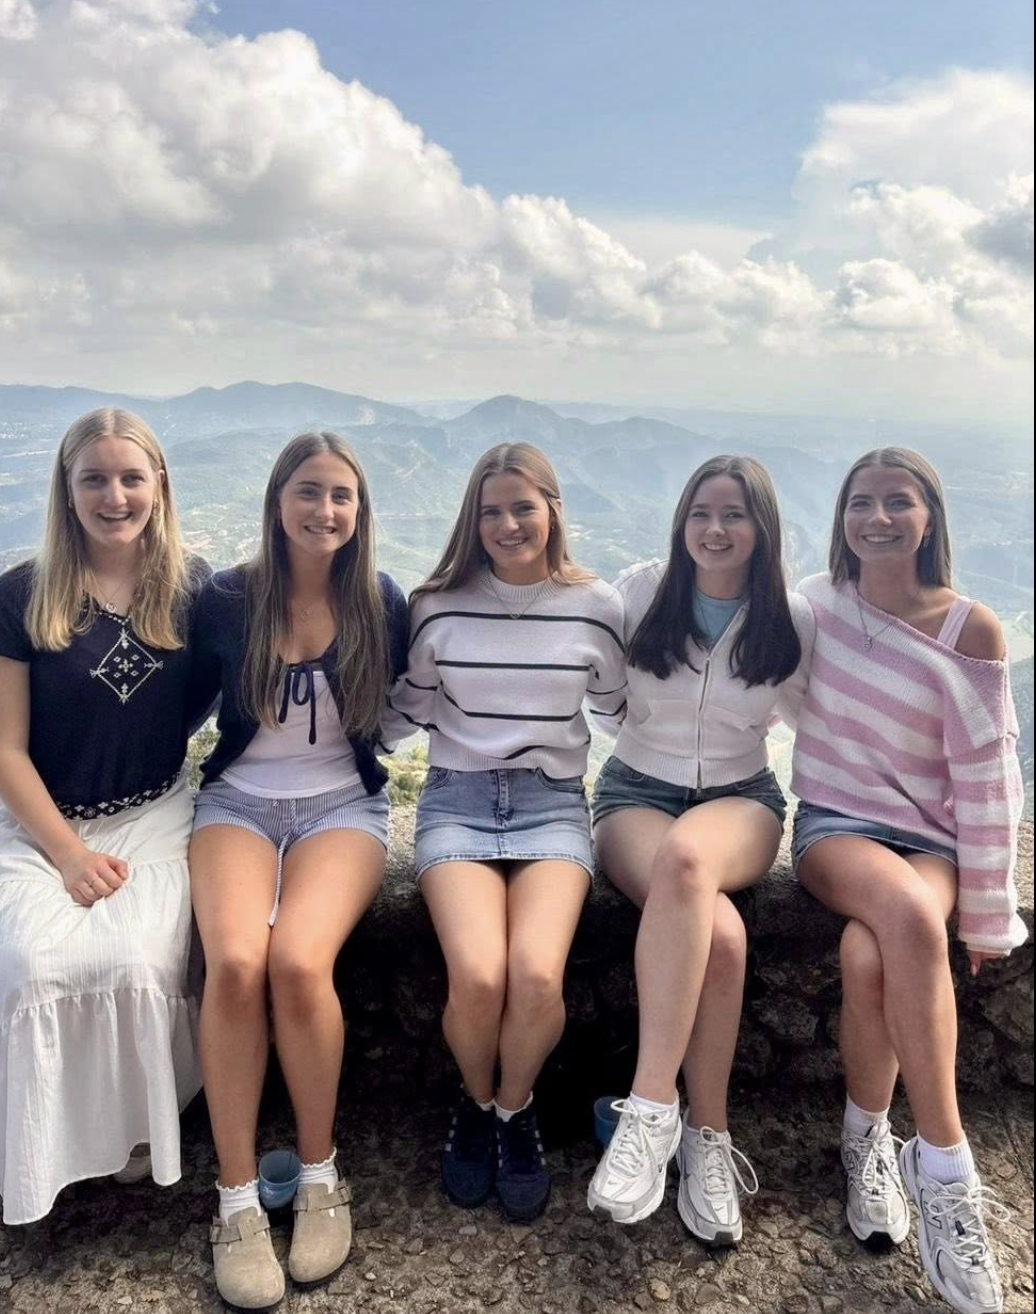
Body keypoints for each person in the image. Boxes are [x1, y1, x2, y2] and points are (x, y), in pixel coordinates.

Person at [0, 408, 210, 1225]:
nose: (114, 496)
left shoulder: (193, 591)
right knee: (29, 966)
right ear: (66, 490)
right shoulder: (20, 596)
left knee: (138, 959)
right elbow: (4, 750)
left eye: (131, 478)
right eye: (94, 479)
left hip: (153, 811)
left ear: (159, 485)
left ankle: (131, 1132)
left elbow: (207, 697)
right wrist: (66, 853)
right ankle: (43, 1150)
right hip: (36, 821)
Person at [791, 447, 1024, 1314]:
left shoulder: (971, 630)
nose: (878, 518)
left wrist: (989, 913)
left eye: (898, 501)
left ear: (930, 517)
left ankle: (866, 1142)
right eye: (862, 501)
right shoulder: (817, 605)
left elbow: (989, 778)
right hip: (835, 827)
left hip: (929, 839)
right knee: (909, 919)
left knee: (869, 955)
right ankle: (947, 1169)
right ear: (843, 516)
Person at [188, 432, 408, 1310]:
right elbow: (172, 703)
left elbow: (410, 702)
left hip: (340, 808)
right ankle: (236, 1198)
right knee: (237, 962)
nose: (325, 510)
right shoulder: (226, 599)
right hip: (238, 803)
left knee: (298, 961)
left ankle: (319, 1174)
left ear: (360, 511)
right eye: (309, 492)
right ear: (278, 500)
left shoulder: (378, 601)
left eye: (341, 496)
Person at [383, 442, 626, 1222]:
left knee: (537, 976)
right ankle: (477, 1100)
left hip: (551, 804)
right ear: (472, 519)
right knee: (481, 977)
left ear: (554, 509)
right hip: (455, 800)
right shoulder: (437, 605)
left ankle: (514, 1109)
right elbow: (407, 708)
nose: (508, 524)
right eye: (491, 511)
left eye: (524, 507)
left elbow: (622, 712)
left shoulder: (597, 606)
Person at [585, 455, 814, 1245]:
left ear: (762, 527)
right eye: (701, 514)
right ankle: (703, 1133)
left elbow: (806, 715)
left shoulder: (790, 616)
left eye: (734, 515)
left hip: (742, 799)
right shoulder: (640, 592)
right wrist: (655, 740)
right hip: (635, 794)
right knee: (722, 934)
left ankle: (649, 1107)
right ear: (682, 521)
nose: (715, 530)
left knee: (689, 858)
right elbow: (604, 695)